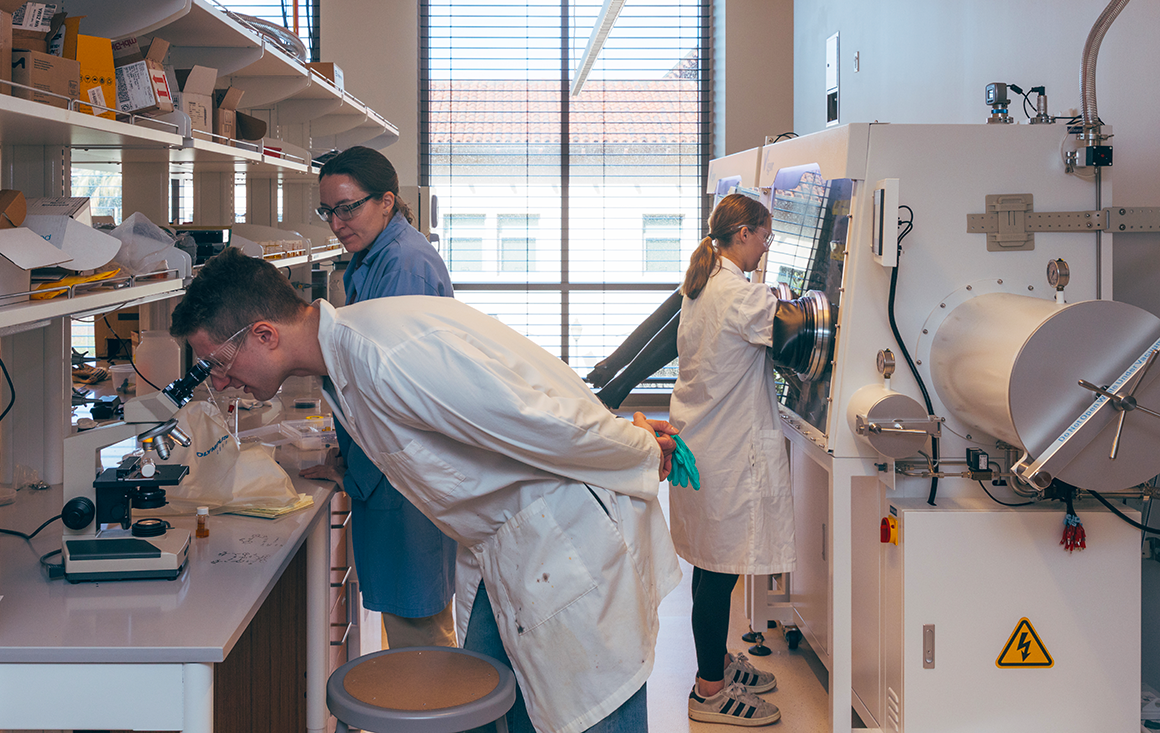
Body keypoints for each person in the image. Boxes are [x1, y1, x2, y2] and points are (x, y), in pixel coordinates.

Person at [170, 247, 682, 733]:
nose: (217, 382)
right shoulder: (347, 359)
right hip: (512, 548)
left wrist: (638, 448)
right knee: (495, 709)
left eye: (216, 362)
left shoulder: (384, 355)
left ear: (263, 334)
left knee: (592, 713)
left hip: (567, 543)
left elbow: (537, 420)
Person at [303, 146, 458, 650]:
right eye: (328, 211)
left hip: (404, 471)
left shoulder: (403, 266)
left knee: (421, 631)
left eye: (349, 207)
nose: (337, 222)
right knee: (413, 624)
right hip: (390, 466)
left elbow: (389, 390)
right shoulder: (376, 256)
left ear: (387, 201)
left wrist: (353, 468)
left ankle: (438, 722)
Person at [669, 193, 794, 727]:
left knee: (708, 568)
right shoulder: (738, 294)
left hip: (700, 447)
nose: (766, 249)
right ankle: (710, 692)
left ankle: (714, 660)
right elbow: (796, 330)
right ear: (742, 234)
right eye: (764, 238)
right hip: (721, 455)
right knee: (718, 578)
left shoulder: (702, 284)